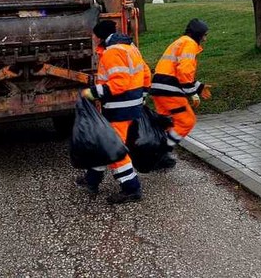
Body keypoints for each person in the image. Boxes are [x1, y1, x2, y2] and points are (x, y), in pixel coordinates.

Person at [77, 31, 151, 204]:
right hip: (132, 108)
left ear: (100, 36)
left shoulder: (112, 52)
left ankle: (131, 188)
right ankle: (92, 179)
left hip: (119, 109)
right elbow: (146, 74)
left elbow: (119, 84)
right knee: (105, 143)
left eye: (94, 36)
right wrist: (142, 97)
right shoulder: (132, 49)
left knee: (114, 149)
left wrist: (92, 93)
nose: (93, 39)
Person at [149, 18, 211, 169]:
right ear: (197, 34)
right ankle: (161, 152)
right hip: (170, 89)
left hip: (159, 87)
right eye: (204, 35)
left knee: (167, 123)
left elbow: (178, 71)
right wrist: (193, 93)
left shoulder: (180, 41)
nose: (205, 38)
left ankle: (157, 154)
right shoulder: (190, 44)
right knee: (186, 121)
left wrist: (199, 86)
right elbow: (184, 72)